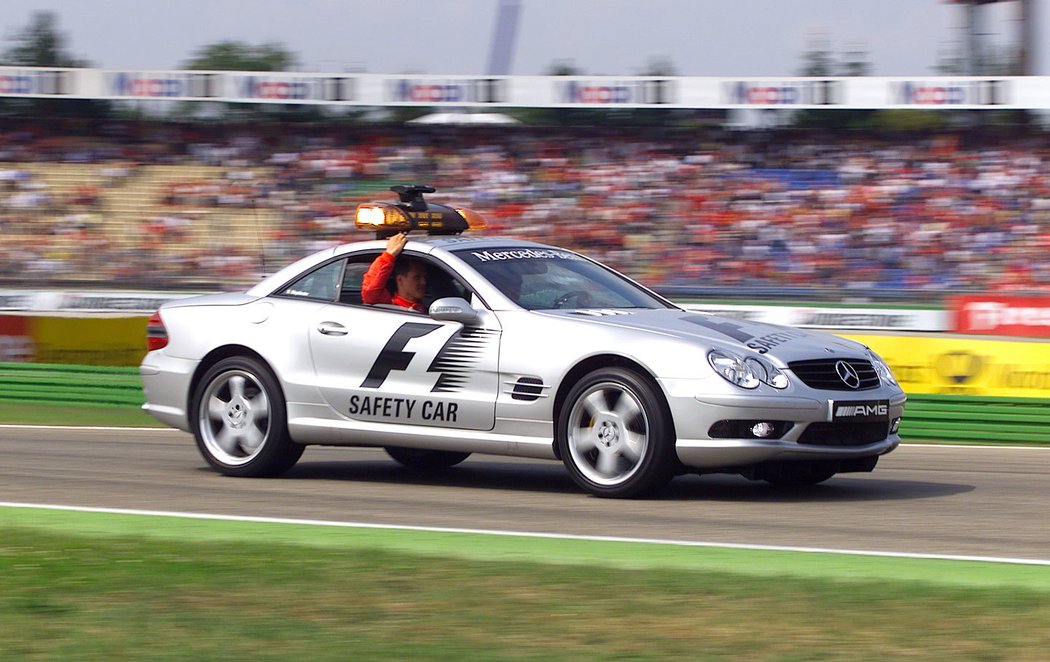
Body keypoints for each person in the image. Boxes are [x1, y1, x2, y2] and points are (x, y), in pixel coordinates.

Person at [360, 231, 427, 312]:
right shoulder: (390, 306)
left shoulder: (428, 307)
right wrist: (389, 255)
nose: (423, 282)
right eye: (417, 277)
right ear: (400, 280)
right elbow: (370, 292)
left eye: (425, 277)